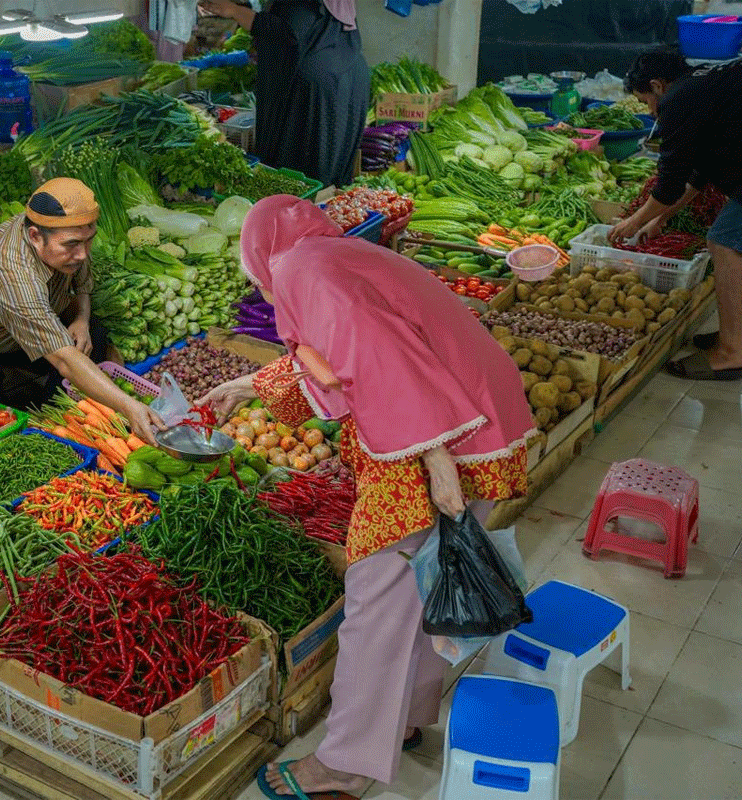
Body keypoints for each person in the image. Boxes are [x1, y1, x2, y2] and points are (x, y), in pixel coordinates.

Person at [198, 196, 536, 799]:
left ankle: (346, 765)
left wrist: (438, 466)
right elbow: (340, 363)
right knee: (428, 584)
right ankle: (402, 718)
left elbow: (389, 363)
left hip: (432, 439)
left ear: (259, 255)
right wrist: (247, 384)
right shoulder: (339, 256)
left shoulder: (303, 271)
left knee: (377, 598)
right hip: (483, 422)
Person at [0, 178, 162, 443]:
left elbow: (83, 283)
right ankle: (11, 440)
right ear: (35, 238)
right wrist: (129, 406)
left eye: (88, 241)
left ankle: (56, 418)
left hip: (7, 330)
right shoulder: (9, 269)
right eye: (72, 245)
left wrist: (81, 320)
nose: (83, 254)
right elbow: (64, 360)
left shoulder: (64, 232)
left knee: (92, 330)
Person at [609, 49, 742, 381]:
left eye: (645, 102)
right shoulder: (704, 84)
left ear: (657, 86)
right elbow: (699, 171)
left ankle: (729, 355)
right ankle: (740, 340)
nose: (650, 111)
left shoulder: (677, 100)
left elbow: (668, 183)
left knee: (725, 242)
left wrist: (634, 221)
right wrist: (662, 217)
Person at [196, 0, 369, 188]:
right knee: (330, 185)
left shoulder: (298, 7)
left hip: (313, 93)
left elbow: (283, 32)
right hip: (348, 77)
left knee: (299, 186)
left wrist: (234, 11)